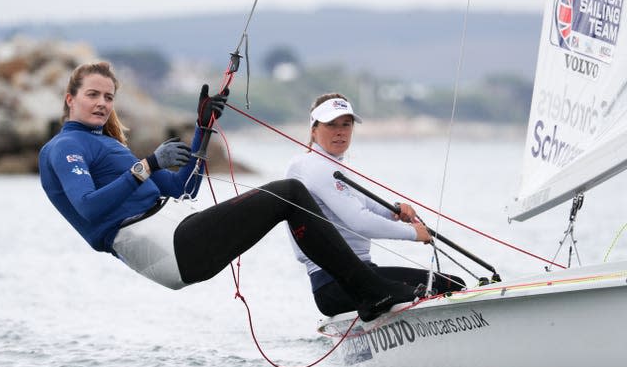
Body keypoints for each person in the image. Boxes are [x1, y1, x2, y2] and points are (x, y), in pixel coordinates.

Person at [38, 62, 420, 322]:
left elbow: (184, 187)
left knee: (288, 198)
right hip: (163, 247)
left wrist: (203, 127)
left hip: (177, 234)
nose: (102, 104)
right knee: (288, 191)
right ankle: (368, 292)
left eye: (108, 97)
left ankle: (360, 291)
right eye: (93, 95)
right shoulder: (63, 148)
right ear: (70, 99)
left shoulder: (109, 146)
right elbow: (88, 208)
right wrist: (148, 165)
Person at [286, 93, 465, 317]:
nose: (340, 131)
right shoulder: (314, 167)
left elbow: (367, 205)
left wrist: (396, 210)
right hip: (335, 285)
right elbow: (359, 221)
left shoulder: (330, 168)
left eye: (346, 124)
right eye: (331, 124)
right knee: (451, 287)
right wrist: (413, 233)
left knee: (450, 284)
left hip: (360, 277)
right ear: (313, 130)